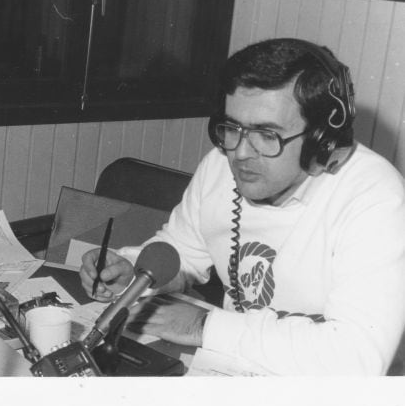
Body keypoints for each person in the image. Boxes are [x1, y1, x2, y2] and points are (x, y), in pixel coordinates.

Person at [79, 38, 405, 375]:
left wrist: (203, 327)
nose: (240, 153)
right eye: (233, 127)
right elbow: (185, 250)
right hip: (238, 368)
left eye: (266, 134)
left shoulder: (377, 198)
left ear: (321, 140)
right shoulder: (220, 165)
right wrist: (134, 274)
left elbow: (355, 357)